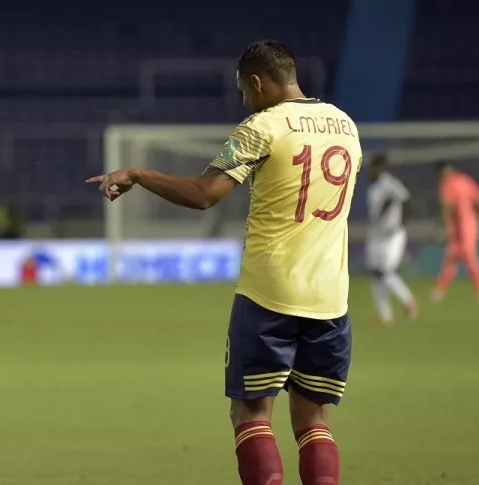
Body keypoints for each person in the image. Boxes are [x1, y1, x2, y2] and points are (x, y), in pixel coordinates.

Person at [88, 40, 362, 485]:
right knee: (313, 421)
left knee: (251, 412)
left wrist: (139, 174)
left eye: (243, 90)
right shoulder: (345, 125)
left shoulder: (261, 126)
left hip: (269, 291)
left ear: (257, 82)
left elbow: (204, 194)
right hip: (331, 297)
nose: (244, 100)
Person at [365, 153, 417, 325]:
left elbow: (407, 201)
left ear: (379, 168)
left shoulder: (390, 184)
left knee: (384, 272)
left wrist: (401, 224)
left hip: (392, 235)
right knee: (375, 273)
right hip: (377, 235)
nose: (369, 172)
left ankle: (408, 300)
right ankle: (383, 314)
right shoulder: (374, 188)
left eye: (372, 168)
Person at [432, 162, 479, 303]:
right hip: (470, 224)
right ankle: (439, 292)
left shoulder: (447, 184)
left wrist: (441, 225)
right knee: (452, 258)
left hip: (459, 226)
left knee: (468, 258)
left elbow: (448, 206)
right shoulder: (466, 180)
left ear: (442, 172)